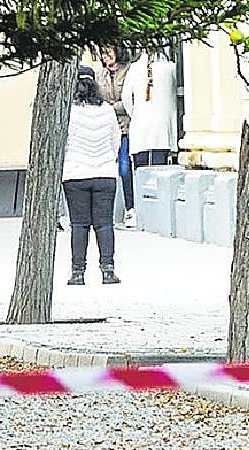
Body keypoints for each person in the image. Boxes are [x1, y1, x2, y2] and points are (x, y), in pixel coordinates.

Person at [61, 66, 122, 286]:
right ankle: (108, 270)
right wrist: (106, 160)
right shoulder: (107, 109)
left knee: (79, 224)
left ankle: (78, 273)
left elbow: (63, 144)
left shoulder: (68, 111)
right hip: (105, 174)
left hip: (75, 174)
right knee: (104, 224)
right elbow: (115, 141)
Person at [98, 45, 136, 227]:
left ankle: (130, 208)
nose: (106, 57)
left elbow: (129, 100)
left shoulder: (129, 71)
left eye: (109, 53)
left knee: (124, 168)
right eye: (103, 54)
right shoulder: (101, 74)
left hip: (125, 126)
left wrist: (111, 107)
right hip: (107, 127)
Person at [123, 49, 179, 169]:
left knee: (141, 172)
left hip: (140, 129)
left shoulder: (134, 68)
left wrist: (135, 114)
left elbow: (126, 98)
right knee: (161, 171)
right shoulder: (171, 68)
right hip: (163, 129)